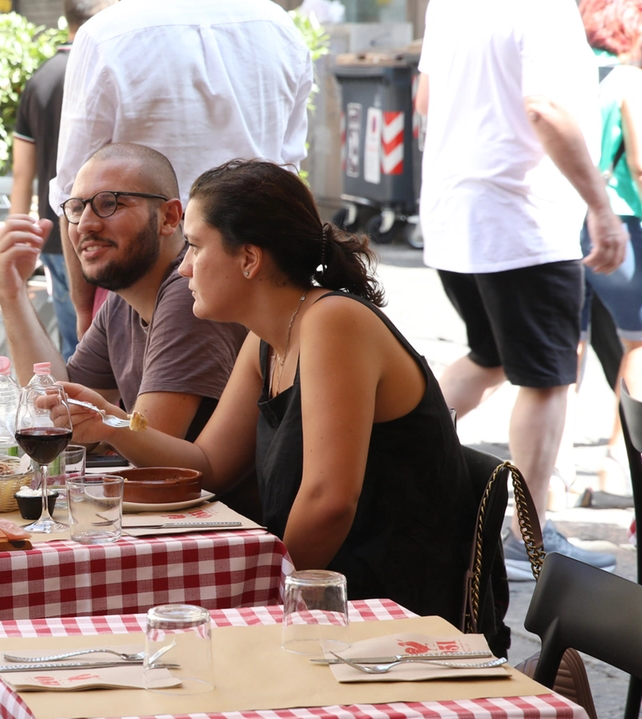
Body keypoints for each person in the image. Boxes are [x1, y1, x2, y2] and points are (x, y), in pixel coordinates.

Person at [65, 160, 475, 624]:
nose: (183, 270)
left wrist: (265, 603)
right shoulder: (268, 337)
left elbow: (329, 502)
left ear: (249, 259)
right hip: (322, 589)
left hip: (385, 610)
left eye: (195, 248)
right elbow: (208, 467)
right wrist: (111, 425)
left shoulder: (331, 321)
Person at [416, 0, 628, 577]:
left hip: (456, 211)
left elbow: (424, 102)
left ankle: (402, 480)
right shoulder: (542, 9)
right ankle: (525, 538)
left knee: (489, 358)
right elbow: (545, 108)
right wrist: (601, 208)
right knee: (547, 378)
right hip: (522, 220)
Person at [51, 0, 312, 340]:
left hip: (142, 277)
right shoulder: (279, 26)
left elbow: (74, 190)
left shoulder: (105, 33)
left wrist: (85, 308)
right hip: (258, 272)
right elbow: (288, 172)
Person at [0, 143, 247, 447]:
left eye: (109, 203)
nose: (86, 223)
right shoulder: (123, 298)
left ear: (169, 218)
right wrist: (12, 294)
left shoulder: (189, 292)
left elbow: (152, 456)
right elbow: (60, 418)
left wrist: (97, 427)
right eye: (77, 207)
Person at [10, 0, 116, 360]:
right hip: (106, 228)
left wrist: (22, 235)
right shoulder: (107, 68)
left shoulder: (40, 79)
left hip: (53, 230)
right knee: (106, 349)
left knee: (77, 347)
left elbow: (22, 172)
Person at [576, 0, 642, 496]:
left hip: (561, 221)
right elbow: (640, 165)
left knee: (567, 349)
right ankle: (614, 462)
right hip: (619, 220)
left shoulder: (570, 77)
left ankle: (552, 480)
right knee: (637, 344)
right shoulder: (628, 82)